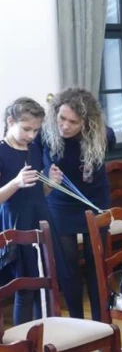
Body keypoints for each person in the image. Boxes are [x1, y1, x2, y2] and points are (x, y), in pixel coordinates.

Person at [38, 88, 115, 321]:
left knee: (95, 263)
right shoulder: (45, 135)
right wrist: (47, 176)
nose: (65, 126)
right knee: (68, 266)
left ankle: (100, 322)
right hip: (60, 204)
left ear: (86, 122)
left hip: (94, 201)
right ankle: (77, 322)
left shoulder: (105, 135)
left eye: (73, 122)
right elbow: (35, 165)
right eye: (62, 118)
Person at [0, 98, 63, 324]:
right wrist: (16, 183)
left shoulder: (34, 150)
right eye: (27, 129)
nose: (31, 135)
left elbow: (38, 194)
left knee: (46, 283)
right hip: (17, 224)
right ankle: (25, 342)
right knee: (26, 287)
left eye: (36, 130)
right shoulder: (1, 152)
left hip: (40, 218)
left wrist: (51, 184)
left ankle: (47, 338)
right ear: (10, 121)